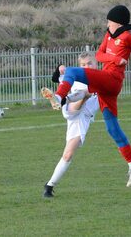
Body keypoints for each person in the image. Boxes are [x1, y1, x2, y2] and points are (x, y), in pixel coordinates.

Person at [42, 5, 131, 187]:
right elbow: (99, 55)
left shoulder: (129, 38)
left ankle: (59, 97)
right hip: (105, 85)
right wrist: (116, 59)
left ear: (117, 22)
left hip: (112, 80)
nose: (107, 23)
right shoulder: (108, 36)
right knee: (112, 128)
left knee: (72, 72)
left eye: (109, 21)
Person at [41, 52, 100, 198]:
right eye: (83, 64)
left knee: (67, 155)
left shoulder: (102, 78)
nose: (87, 66)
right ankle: (61, 99)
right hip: (71, 110)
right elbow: (56, 77)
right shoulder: (77, 76)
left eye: (90, 63)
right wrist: (60, 68)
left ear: (97, 63)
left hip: (82, 118)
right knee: (83, 92)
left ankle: (49, 186)